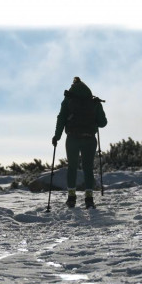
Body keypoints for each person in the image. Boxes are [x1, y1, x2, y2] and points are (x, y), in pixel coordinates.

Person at [52, 77, 107, 208]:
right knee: (88, 168)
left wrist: (57, 136)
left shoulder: (68, 101)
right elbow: (103, 123)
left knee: (72, 167)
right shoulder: (94, 102)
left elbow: (61, 119)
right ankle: (89, 199)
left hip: (72, 139)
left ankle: (71, 197)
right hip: (90, 139)